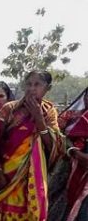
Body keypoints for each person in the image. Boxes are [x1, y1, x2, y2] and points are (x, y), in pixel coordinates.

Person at [0, 70, 64, 221]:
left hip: (31, 175)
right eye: (29, 84)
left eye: (37, 85)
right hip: (5, 171)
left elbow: (53, 147)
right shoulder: (10, 109)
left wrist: (38, 118)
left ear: (47, 88)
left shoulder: (49, 112)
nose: (32, 88)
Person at [55, 87, 88, 221]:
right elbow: (57, 132)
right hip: (67, 167)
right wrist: (72, 150)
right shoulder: (73, 116)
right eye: (87, 96)